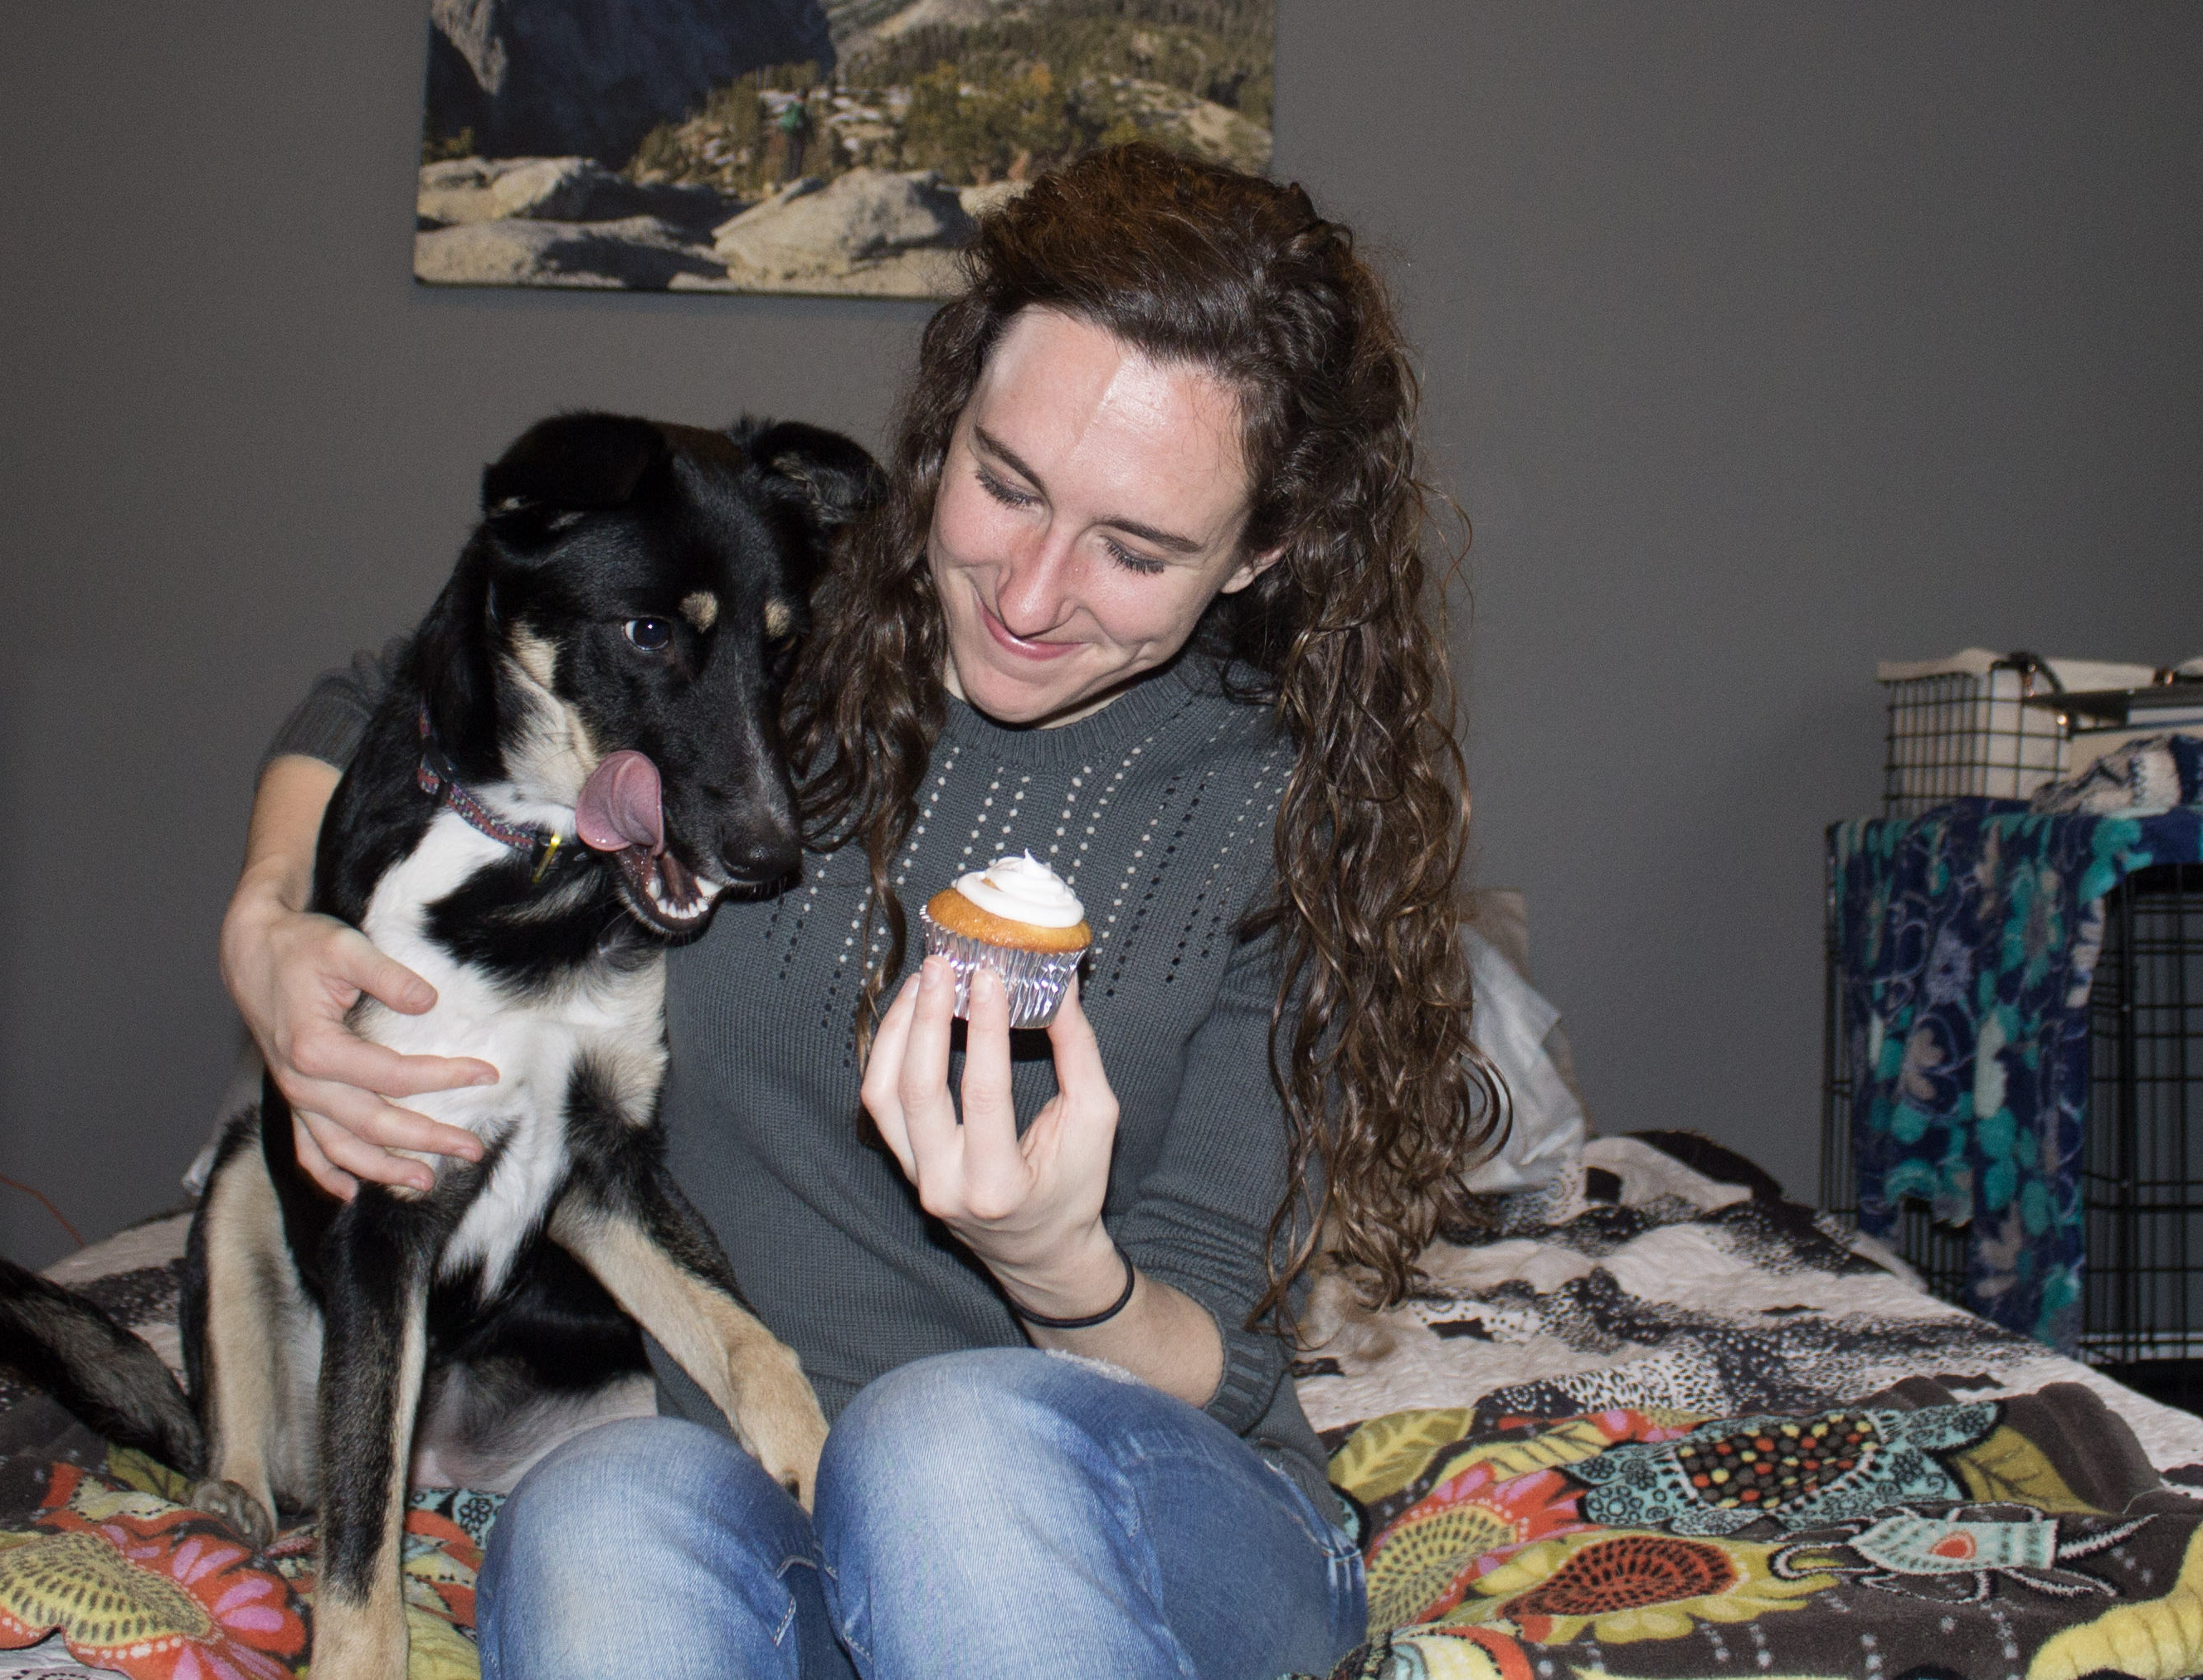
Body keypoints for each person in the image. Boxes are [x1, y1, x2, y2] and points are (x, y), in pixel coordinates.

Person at [221, 144, 1491, 1679]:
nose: (1027, 594)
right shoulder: (774, 652)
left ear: (1262, 551)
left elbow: (1213, 1360)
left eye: (1136, 549)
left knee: (939, 1445)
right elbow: (385, 685)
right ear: (944, 417)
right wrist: (271, 921)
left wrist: (1051, 1262)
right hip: (760, 1481)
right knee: (595, 1506)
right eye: (1002, 484)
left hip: (1136, 1497)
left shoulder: (1282, 815)